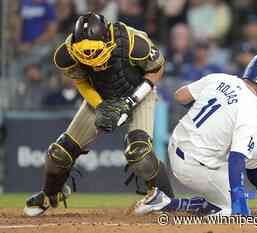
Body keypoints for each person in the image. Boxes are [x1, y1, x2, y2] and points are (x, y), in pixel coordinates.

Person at [23, 13, 174, 217]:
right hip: (101, 95)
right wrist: (101, 105)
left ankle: (167, 200)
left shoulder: (133, 42)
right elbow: (82, 81)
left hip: (138, 94)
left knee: (139, 152)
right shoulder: (66, 54)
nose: (91, 58)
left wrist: (130, 102)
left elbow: (157, 69)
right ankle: (51, 194)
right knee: (58, 154)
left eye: (94, 51)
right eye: (84, 52)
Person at [133, 53, 257, 216]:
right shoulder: (253, 110)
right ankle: (167, 203)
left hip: (178, 147)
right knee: (230, 209)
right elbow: (236, 157)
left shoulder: (220, 78)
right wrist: (238, 197)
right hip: (194, 166)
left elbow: (180, 96)